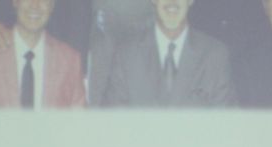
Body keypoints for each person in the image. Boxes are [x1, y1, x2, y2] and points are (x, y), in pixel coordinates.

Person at [98, 0, 236, 108]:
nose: (172, 1)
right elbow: (111, 125)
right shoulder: (126, 56)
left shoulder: (215, 56)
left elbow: (227, 126)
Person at [0, 0, 86, 109]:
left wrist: (73, 68)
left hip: (57, 53)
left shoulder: (70, 61)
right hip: (1, 45)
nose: (35, 4)